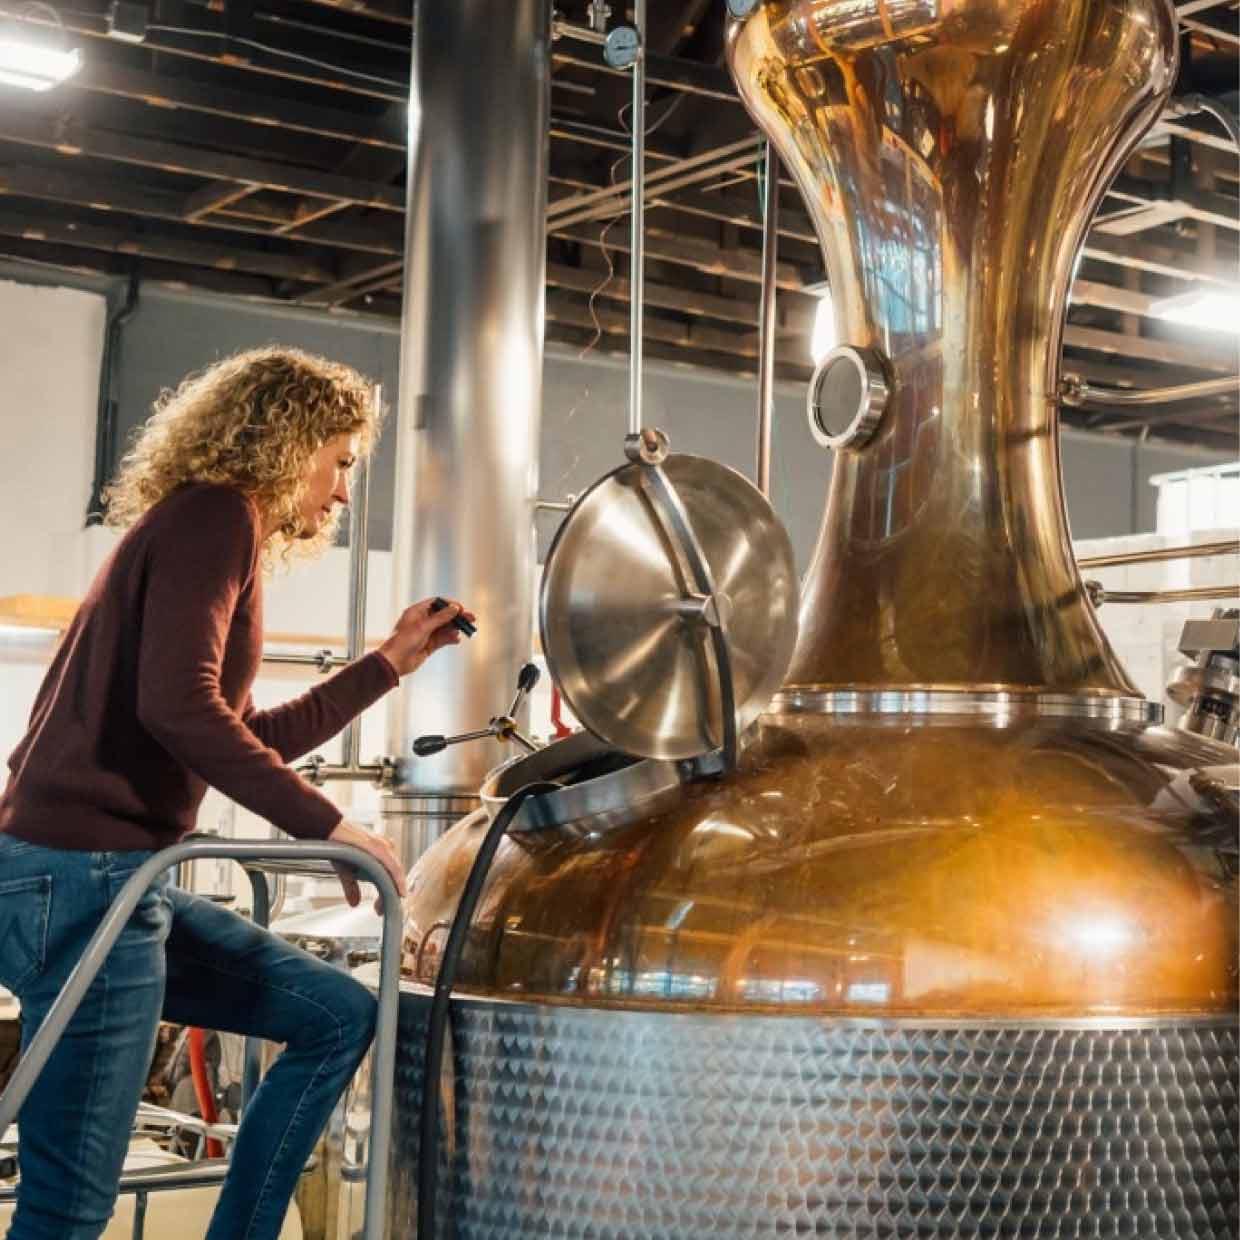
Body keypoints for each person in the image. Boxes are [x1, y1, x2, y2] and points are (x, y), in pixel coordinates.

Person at [0, 346, 474, 1240]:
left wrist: (388, 665)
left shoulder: (208, 528)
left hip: (100, 877)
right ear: (287, 440)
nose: (341, 493)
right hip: (87, 882)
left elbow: (232, 728)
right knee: (67, 1205)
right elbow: (179, 710)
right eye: (339, 462)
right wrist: (329, 824)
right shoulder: (214, 519)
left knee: (336, 1014)